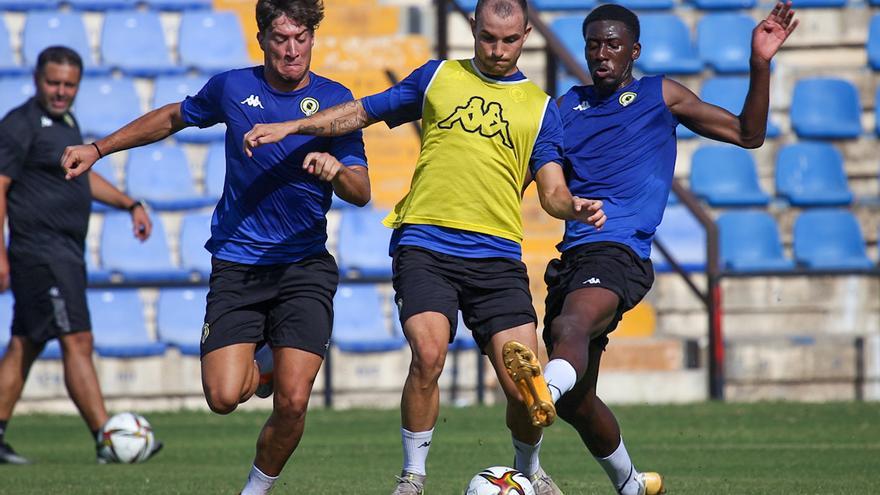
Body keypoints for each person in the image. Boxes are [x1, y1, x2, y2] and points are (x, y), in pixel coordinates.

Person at [243, 1, 606, 493]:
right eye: (488, 39)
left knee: (525, 388)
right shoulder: (437, 77)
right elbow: (362, 110)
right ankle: (413, 476)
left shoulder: (541, 108)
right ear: (473, 29)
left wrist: (574, 207)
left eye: (509, 40)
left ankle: (529, 467)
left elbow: (552, 192)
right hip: (425, 244)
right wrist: (293, 126)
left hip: (497, 257)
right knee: (429, 354)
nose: (497, 50)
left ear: (525, 36)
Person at [60, 0, 370, 492]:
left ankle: (254, 488)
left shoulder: (337, 101)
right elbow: (171, 118)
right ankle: (267, 358)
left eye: (301, 38)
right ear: (262, 39)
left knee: (292, 402)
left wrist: (337, 172)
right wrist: (98, 149)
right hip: (238, 266)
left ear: (313, 37)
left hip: (303, 267)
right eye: (281, 39)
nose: (292, 50)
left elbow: (361, 191)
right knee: (224, 397)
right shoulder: (232, 87)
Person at [530, 3, 798, 494]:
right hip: (572, 258)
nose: (601, 53)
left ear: (634, 51)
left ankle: (540, 392)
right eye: (593, 44)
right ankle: (631, 484)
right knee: (578, 404)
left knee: (570, 329)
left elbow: (748, 133)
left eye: (613, 44)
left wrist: (759, 64)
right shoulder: (565, 109)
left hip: (620, 253)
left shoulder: (659, 94)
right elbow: (525, 178)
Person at [0, 46, 155, 465]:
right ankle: (109, 438)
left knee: (25, 342)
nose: (61, 91)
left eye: (69, 84)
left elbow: (82, 178)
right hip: (41, 251)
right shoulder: (19, 125)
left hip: (65, 251)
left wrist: (129, 203)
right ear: (37, 79)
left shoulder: (66, 123)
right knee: (77, 339)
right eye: (54, 82)